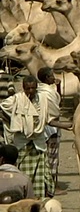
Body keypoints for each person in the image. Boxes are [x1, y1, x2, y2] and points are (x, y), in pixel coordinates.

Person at [0, 76, 54, 198]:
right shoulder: (16, 99)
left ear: (37, 88)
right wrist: (14, 122)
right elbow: (3, 107)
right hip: (22, 144)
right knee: (23, 174)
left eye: (33, 88)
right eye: (28, 88)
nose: (30, 91)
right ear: (23, 88)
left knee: (41, 178)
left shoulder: (43, 100)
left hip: (39, 144)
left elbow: (48, 119)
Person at [37, 67, 68, 195]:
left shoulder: (44, 90)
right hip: (50, 128)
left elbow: (57, 103)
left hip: (45, 128)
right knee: (52, 159)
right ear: (46, 78)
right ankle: (52, 187)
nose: (53, 78)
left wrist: (59, 87)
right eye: (51, 76)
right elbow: (55, 110)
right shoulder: (46, 92)